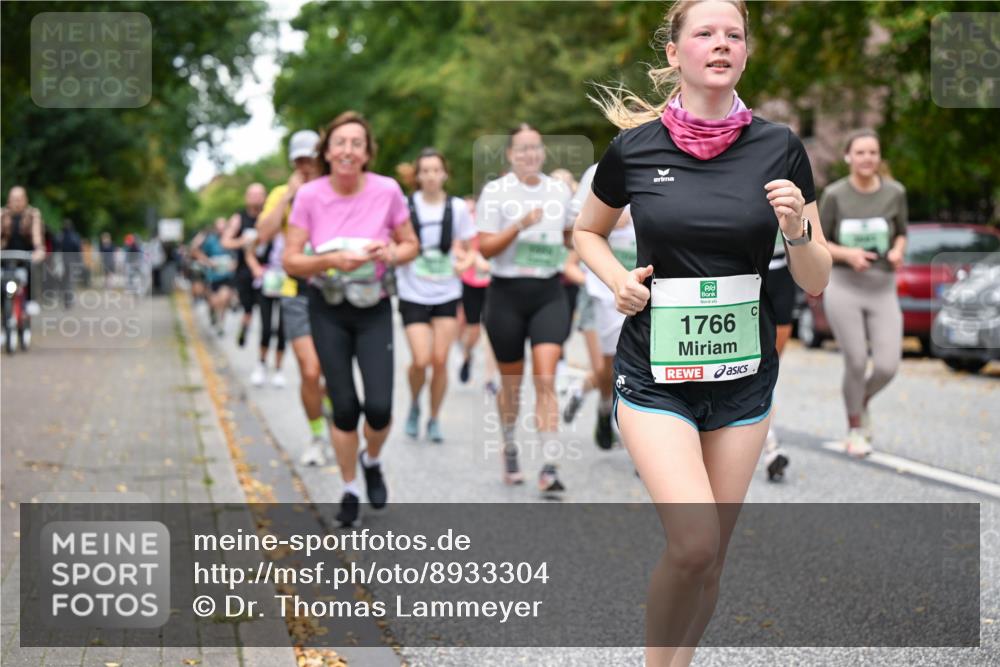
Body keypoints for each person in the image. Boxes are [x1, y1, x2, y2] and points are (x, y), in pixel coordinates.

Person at [574, 2, 831, 664]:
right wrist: (618, 280)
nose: (722, 44)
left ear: (745, 52)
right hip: (655, 373)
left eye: (734, 35)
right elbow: (586, 231)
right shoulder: (636, 148)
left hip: (743, 377)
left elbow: (815, 279)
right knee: (693, 543)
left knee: (711, 558)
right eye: (706, 33)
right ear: (674, 53)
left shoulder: (780, 147)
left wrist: (798, 229)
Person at [283, 111, 419, 527]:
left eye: (356, 143)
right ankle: (349, 489)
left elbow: (410, 244)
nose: (347, 150)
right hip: (328, 307)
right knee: (344, 408)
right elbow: (291, 260)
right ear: (326, 152)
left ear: (367, 152)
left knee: (378, 408)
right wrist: (330, 260)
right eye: (339, 143)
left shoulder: (387, 190)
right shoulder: (309, 196)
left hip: (373, 306)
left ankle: (371, 459)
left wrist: (390, 253)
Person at [476, 123, 575, 494]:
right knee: (512, 384)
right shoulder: (496, 192)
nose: (530, 154)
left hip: (548, 292)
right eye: (522, 149)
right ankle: (509, 444)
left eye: (535, 148)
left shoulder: (559, 190)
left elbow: (570, 235)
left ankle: (550, 464)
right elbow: (485, 248)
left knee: (546, 376)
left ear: (543, 152)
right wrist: (519, 225)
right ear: (510, 154)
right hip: (506, 295)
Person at [819, 128, 907, 458]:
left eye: (872, 152)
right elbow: (819, 241)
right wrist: (848, 255)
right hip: (845, 286)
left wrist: (898, 251)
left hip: (882, 288)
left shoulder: (895, 192)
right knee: (856, 361)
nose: (867, 158)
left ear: (879, 157)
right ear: (848, 157)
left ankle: (863, 398)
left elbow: (902, 233)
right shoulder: (834, 195)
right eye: (860, 152)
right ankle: (855, 427)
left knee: (887, 366)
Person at [256, 129, 331, 465]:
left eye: (310, 158)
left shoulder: (333, 189)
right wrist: (289, 196)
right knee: (310, 370)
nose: (305, 165)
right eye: (299, 160)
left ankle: (331, 411)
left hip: (331, 288)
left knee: (329, 371)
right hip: (295, 289)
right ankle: (317, 436)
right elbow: (263, 234)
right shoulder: (280, 193)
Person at [397, 148, 477, 443]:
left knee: (440, 360)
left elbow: (471, 247)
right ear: (417, 176)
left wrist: (464, 264)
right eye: (425, 171)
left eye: (436, 170)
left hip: (446, 292)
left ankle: (433, 418)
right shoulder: (405, 206)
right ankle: (414, 404)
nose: (431, 176)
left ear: (444, 174)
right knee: (421, 360)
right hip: (413, 292)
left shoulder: (457, 208)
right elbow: (393, 239)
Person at [563, 163, 635, 451]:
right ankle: (605, 406)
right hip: (598, 292)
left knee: (638, 367)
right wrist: (607, 217)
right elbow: (572, 236)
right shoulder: (601, 172)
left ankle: (637, 443)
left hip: (642, 290)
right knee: (607, 368)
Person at [456, 196, 499, 392]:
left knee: (492, 332)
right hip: (472, 283)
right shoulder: (470, 222)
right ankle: (467, 355)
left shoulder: (503, 223)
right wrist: (473, 259)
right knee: (472, 329)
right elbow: (457, 248)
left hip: (494, 283)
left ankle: (490, 378)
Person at [223, 183, 267, 347]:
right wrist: (242, 241)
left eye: (259, 194)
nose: (256, 198)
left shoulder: (269, 216)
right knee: (247, 308)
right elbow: (225, 241)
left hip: (266, 271)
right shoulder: (239, 218)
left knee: (265, 309)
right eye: (252, 195)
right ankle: (244, 327)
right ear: (247, 197)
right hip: (245, 271)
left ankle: (265, 338)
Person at [1, 186, 47, 311]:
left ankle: (31, 300)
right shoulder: (2, 214)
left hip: (25, 256)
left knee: (33, 268)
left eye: (19, 199)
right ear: (9, 200)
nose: (16, 202)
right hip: (5, 257)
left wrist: (38, 249)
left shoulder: (33, 214)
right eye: (14, 199)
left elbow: (37, 235)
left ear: (25, 200)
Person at [190, 217, 237, 336]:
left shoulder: (231, 239)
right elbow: (195, 252)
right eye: (219, 228)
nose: (221, 230)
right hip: (212, 277)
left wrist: (234, 264)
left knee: (224, 299)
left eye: (224, 227)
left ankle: (221, 324)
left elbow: (238, 256)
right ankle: (212, 312)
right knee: (214, 302)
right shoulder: (210, 240)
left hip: (226, 277)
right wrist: (208, 261)